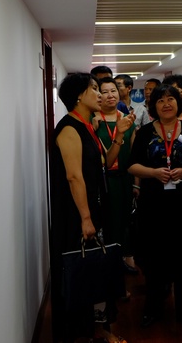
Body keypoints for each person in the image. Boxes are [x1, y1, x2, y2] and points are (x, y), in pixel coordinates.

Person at [49, 73, 134, 343]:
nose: (100, 94)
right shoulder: (69, 128)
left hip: (93, 208)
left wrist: (119, 135)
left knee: (93, 274)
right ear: (78, 96)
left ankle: (96, 330)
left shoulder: (86, 126)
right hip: (75, 213)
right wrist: (86, 218)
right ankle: (80, 333)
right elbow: (74, 177)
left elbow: (105, 163)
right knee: (80, 274)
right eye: (94, 89)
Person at [128, 84, 182, 330]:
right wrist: (153, 173)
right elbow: (131, 165)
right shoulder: (144, 133)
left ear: (178, 103)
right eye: (160, 100)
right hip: (154, 205)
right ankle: (152, 309)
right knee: (154, 260)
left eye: (170, 99)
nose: (166, 104)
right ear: (154, 106)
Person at [93, 77, 138, 276]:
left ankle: (122, 260)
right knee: (109, 223)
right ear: (98, 95)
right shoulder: (94, 121)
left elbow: (135, 156)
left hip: (126, 179)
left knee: (125, 221)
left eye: (113, 90)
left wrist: (137, 184)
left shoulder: (128, 119)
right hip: (105, 180)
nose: (110, 95)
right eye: (105, 92)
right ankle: (110, 266)